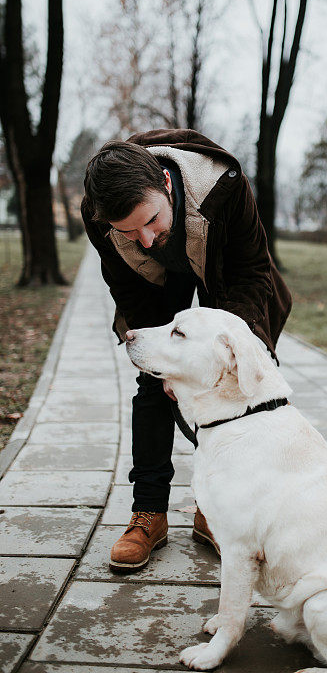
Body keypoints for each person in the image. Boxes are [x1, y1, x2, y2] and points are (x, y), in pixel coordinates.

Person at [81, 128, 292, 573]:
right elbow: (129, 293)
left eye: (152, 220)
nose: (144, 239)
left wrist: (236, 347)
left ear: (166, 183)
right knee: (151, 384)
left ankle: (214, 512)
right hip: (153, 286)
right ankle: (149, 514)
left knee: (229, 386)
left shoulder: (224, 184)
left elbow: (253, 273)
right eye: (128, 230)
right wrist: (166, 369)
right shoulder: (100, 213)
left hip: (226, 275)